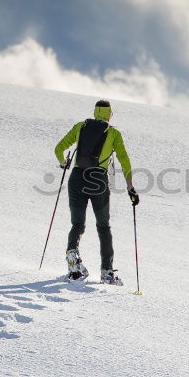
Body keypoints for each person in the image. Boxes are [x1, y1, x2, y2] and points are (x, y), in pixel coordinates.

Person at [54, 99, 139, 284]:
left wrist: (64, 163)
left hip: (76, 178)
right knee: (103, 226)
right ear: (109, 114)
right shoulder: (113, 133)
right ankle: (107, 272)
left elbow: (59, 149)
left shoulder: (80, 127)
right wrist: (130, 188)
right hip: (97, 179)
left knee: (77, 224)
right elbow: (124, 160)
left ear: (95, 112)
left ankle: (73, 262)